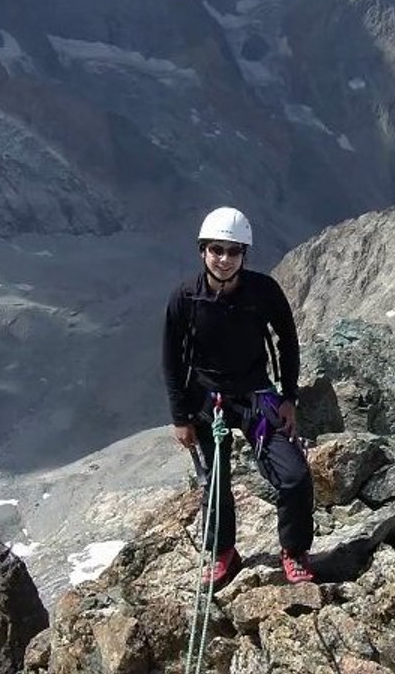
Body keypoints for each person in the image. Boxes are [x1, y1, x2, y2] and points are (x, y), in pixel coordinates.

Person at [162, 206, 315, 588]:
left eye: (233, 251)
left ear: (244, 255)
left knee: (295, 476)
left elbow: (288, 344)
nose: (225, 259)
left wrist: (289, 397)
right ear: (203, 251)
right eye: (217, 250)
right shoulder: (184, 298)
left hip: (255, 397)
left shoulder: (263, 292)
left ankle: (294, 551)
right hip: (206, 399)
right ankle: (223, 553)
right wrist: (180, 417)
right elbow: (170, 358)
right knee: (215, 483)